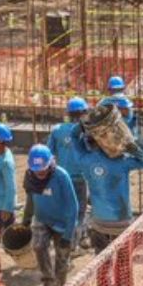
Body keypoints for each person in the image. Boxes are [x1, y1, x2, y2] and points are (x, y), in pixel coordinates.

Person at [18, 145, 79, 286]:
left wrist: (68, 235)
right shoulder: (30, 177)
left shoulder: (61, 176)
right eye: (36, 170)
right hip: (42, 219)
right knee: (38, 246)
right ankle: (48, 280)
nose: (40, 173)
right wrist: (26, 219)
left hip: (63, 222)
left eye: (43, 169)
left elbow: (73, 206)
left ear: (50, 163)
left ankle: (60, 285)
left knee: (62, 256)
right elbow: (30, 199)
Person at [82, 136, 143, 253]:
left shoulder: (89, 160)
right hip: (121, 221)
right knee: (122, 260)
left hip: (100, 222)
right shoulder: (123, 161)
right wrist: (131, 146)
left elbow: (77, 143)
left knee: (101, 262)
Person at [49, 97, 95, 238]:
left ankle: (66, 237)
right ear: (83, 113)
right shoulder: (86, 133)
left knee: (66, 209)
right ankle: (78, 239)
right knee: (80, 211)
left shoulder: (57, 130)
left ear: (68, 114)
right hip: (80, 177)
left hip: (63, 178)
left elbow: (49, 154)